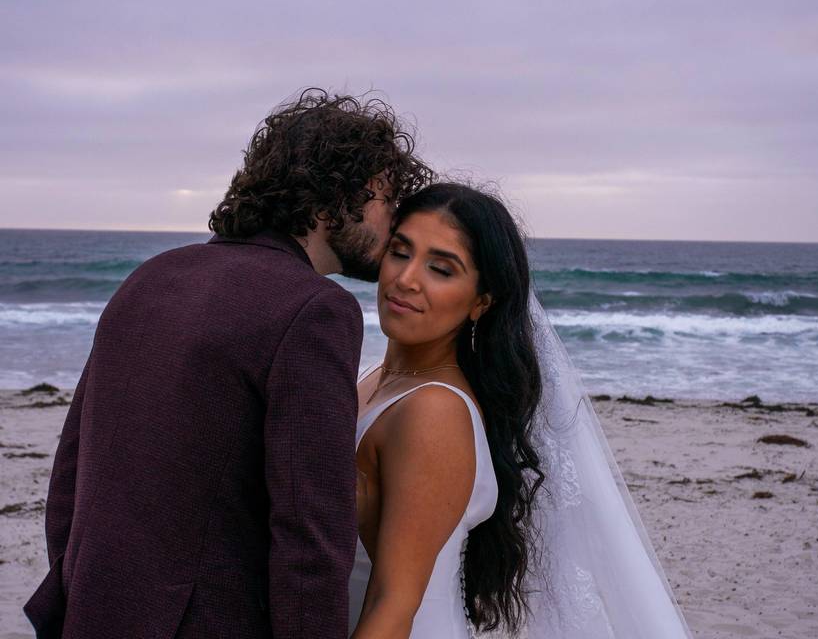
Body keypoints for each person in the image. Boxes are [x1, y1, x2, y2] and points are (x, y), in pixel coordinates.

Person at [23, 89, 431, 639]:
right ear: (333, 197)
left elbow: (71, 478)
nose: (394, 218)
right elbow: (310, 532)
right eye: (386, 197)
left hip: (95, 612)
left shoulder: (152, 276)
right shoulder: (313, 309)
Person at [347, 183, 693, 638]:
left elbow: (393, 603)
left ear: (480, 303)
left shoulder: (434, 411)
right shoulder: (376, 379)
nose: (407, 279)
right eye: (399, 252)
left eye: (441, 269)